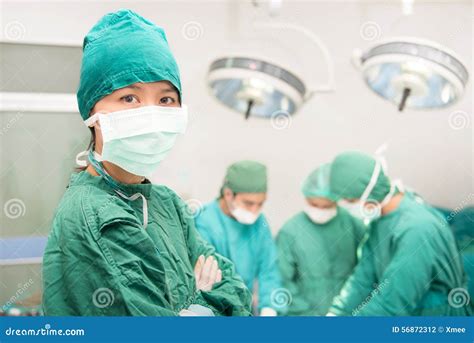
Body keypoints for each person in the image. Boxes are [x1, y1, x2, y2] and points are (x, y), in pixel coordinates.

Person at [42, 9, 252, 316]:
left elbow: (237, 292)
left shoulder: (169, 205)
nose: (151, 113)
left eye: (166, 99)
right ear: (93, 112)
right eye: (130, 98)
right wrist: (205, 302)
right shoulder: (94, 217)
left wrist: (192, 310)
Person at [327, 151, 470, 316]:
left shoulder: (417, 230)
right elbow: (362, 280)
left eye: (350, 201)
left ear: (369, 192)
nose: (346, 206)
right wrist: (335, 315)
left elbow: (391, 306)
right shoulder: (381, 219)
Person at [276, 163, 366, 316]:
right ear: (306, 198)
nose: (320, 210)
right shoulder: (290, 231)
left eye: (326, 206)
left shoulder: (352, 225)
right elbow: (282, 281)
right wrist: (307, 314)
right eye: (314, 204)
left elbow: (367, 270)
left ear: (337, 200)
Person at [195, 161, 281, 316]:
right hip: (215, 309)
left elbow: (269, 270)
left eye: (260, 204)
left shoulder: (259, 223)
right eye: (249, 203)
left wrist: (269, 308)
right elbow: (211, 279)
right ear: (228, 194)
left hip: (246, 308)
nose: (255, 210)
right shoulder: (204, 222)